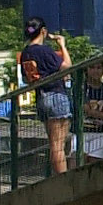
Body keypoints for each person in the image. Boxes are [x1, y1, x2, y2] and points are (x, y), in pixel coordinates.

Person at [19, 17, 73, 175]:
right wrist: (62, 46)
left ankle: (57, 174)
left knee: (53, 143)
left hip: (41, 97)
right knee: (59, 145)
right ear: (43, 31)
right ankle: (62, 178)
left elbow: (25, 78)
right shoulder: (44, 50)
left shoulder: (25, 53)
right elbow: (66, 67)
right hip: (55, 94)